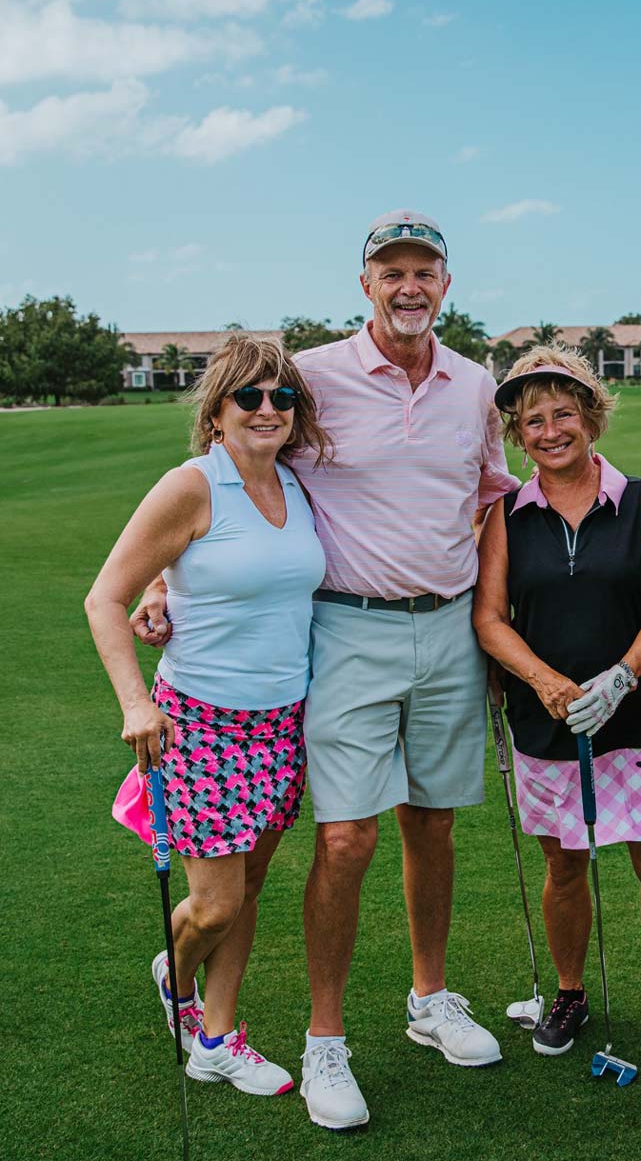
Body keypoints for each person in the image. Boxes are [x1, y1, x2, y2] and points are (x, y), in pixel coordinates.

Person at [132, 210, 520, 1131]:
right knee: (347, 839)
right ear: (366, 285)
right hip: (347, 631)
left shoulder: (474, 386)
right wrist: (160, 575)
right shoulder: (314, 378)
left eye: (425, 270)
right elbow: (231, 466)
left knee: (433, 825)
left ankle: (429, 1001)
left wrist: (494, 623)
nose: (409, 286)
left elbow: (491, 501)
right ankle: (324, 1041)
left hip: (450, 634)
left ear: (446, 284)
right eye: (392, 272)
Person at [87, 335, 330, 1097]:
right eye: (248, 397)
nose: (266, 410)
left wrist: (168, 584)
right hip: (200, 722)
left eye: (281, 397)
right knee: (216, 901)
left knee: (249, 887)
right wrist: (135, 700)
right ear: (217, 410)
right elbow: (103, 599)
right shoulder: (193, 484)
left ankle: (218, 1038)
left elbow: (211, 563)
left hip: (281, 720)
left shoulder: (297, 483)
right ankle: (176, 972)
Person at [473, 346, 641, 1059]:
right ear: (518, 437)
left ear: (591, 417)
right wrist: (547, 683)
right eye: (532, 421)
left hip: (639, 719)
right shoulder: (505, 516)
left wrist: (623, 676)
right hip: (546, 725)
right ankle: (570, 992)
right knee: (565, 868)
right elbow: (490, 617)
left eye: (564, 414)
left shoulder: (640, 496)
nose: (550, 431)